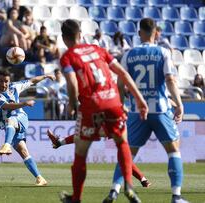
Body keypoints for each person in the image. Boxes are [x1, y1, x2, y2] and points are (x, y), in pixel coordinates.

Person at [58, 19, 148, 203]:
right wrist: (140, 100)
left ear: (64, 38)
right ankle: (129, 186)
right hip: (113, 101)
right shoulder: (98, 49)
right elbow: (123, 73)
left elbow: (72, 83)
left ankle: (76, 198)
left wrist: (73, 104)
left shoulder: (68, 56)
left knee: (80, 154)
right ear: (80, 34)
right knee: (122, 143)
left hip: (91, 105)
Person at [103, 18, 188, 203]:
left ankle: (114, 191)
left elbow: (120, 82)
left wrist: (122, 104)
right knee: (173, 150)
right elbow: (170, 80)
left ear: (140, 32)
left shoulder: (129, 54)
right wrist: (179, 104)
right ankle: (176, 196)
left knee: (127, 154)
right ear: (155, 33)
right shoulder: (163, 52)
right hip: (160, 110)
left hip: (136, 111)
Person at [0, 70, 54, 186]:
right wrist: (25, 103)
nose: (4, 84)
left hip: (21, 118)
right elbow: (6, 106)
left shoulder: (14, 87)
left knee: (11, 120)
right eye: (1, 81)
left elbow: (32, 81)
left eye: (6, 81)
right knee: (24, 152)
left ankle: (6, 145)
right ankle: (40, 178)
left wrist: (45, 76)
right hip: (8, 126)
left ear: (10, 81)